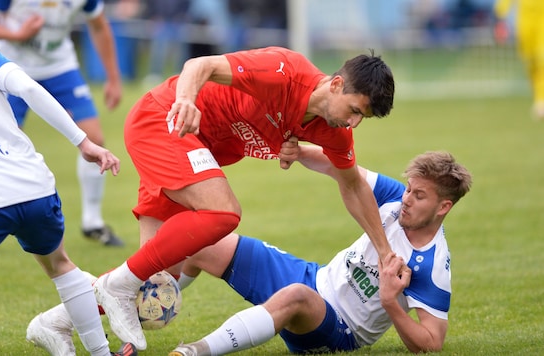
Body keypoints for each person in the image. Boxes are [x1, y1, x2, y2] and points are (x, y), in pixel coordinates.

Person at [91, 46, 397, 351]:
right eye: (355, 110)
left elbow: (354, 186)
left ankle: (59, 320)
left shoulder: (334, 132)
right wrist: (185, 101)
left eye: (362, 118)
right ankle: (118, 284)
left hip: (195, 151)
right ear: (336, 85)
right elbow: (200, 64)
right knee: (223, 213)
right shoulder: (283, 70)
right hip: (166, 119)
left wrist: (384, 252)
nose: (353, 123)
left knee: (161, 276)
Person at [0, 1, 130, 355]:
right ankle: (101, 351)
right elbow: (29, 89)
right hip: (34, 188)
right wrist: (84, 142)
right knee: (60, 265)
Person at [169, 149, 473, 355]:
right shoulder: (395, 198)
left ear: (443, 207)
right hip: (314, 278)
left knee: (296, 296)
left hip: (339, 329)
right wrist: (298, 151)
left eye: (418, 195)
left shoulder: (431, 263)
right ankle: (152, 307)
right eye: (408, 188)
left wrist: (389, 301)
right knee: (200, 240)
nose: (406, 198)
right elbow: (340, 166)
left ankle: (193, 351)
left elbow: (432, 343)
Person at [0, 0, 125, 246]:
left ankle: (92, 222)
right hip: (11, 68)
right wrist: (17, 35)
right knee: (0, 147)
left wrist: (113, 78)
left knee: (94, 137)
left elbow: (98, 26)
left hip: (60, 68)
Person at [494, 0, 544, 120]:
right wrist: (500, 18)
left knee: (542, 58)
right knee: (530, 62)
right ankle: (539, 99)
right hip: (525, 22)